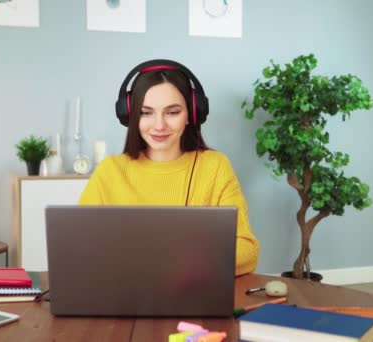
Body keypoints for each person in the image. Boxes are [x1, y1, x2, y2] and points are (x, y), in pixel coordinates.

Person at [78, 59, 259, 276]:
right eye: (146, 112)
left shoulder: (215, 166)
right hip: (125, 294)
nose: (159, 125)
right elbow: (80, 246)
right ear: (131, 115)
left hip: (193, 290)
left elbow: (247, 250)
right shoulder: (110, 171)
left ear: (191, 114)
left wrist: (186, 264)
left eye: (172, 112)